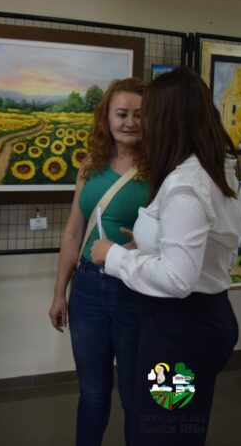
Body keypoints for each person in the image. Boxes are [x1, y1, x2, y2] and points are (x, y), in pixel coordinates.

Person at [91, 66, 241, 445]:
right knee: (182, 426)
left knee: (159, 430)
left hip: (179, 332)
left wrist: (112, 256)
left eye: (149, 115)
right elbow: (215, 242)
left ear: (167, 119)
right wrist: (151, 245)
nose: (142, 124)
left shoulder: (185, 187)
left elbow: (178, 279)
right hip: (202, 321)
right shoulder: (218, 169)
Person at [49, 77, 149, 446]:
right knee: (92, 394)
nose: (130, 122)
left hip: (137, 290)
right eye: (121, 114)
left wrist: (148, 243)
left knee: (137, 397)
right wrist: (59, 293)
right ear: (106, 117)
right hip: (88, 289)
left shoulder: (162, 168)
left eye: (139, 114)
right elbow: (73, 233)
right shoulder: (90, 165)